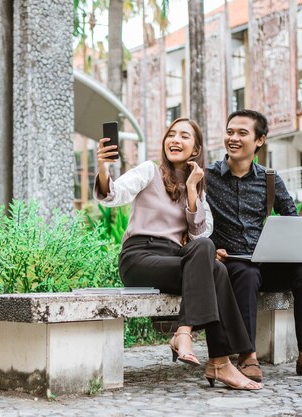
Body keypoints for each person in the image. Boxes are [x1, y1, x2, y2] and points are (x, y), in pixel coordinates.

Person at [95, 117, 261, 390]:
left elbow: (200, 235)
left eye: (184, 136)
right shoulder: (149, 171)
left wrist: (193, 190)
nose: (175, 140)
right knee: (213, 263)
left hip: (175, 258)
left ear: (195, 149)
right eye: (171, 134)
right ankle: (203, 345)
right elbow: (113, 194)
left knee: (216, 266)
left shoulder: (198, 186)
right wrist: (103, 167)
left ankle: (216, 359)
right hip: (139, 258)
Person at [205, 109, 302, 381]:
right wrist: (211, 247)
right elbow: (192, 218)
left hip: (266, 260)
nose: (233, 138)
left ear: (260, 140)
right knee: (247, 272)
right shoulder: (208, 177)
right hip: (230, 263)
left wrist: (292, 246)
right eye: (230, 131)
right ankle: (247, 357)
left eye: (242, 133)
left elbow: (292, 219)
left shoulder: (269, 179)